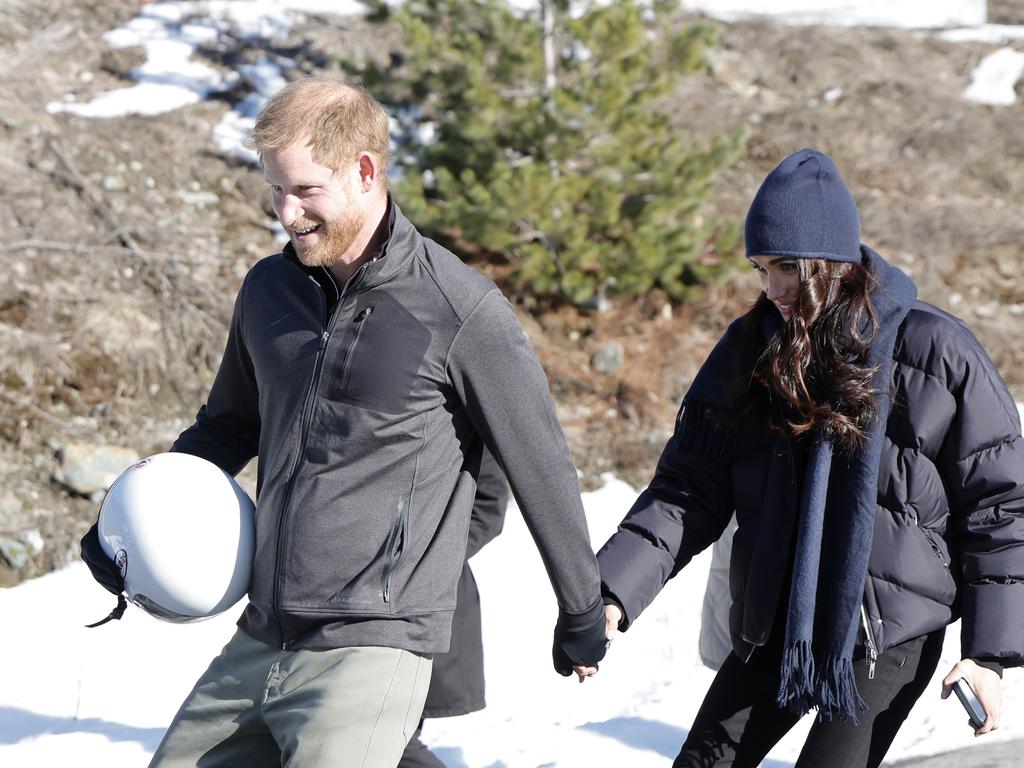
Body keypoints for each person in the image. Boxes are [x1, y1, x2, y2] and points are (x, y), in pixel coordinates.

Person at [80, 76, 607, 768]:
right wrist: (129, 524)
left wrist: (581, 611)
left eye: (304, 191)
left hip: (372, 641)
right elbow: (225, 428)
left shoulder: (458, 309)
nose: (286, 213)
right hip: (263, 629)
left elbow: (537, 467)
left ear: (364, 170)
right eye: (274, 190)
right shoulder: (270, 291)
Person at [588, 148, 1024, 768]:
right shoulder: (751, 350)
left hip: (887, 633)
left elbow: (1002, 503)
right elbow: (690, 486)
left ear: (832, 260)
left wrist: (991, 653)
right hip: (782, 624)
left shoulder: (935, 351)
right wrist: (610, 593)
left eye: (787, 267)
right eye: (761, 269)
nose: (773, 289)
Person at [399, 448, 507, 768]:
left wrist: (422, 559)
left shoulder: (462, 408)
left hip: (422, 605)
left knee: (392, 741)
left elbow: (488, 505)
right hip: (330, 602)